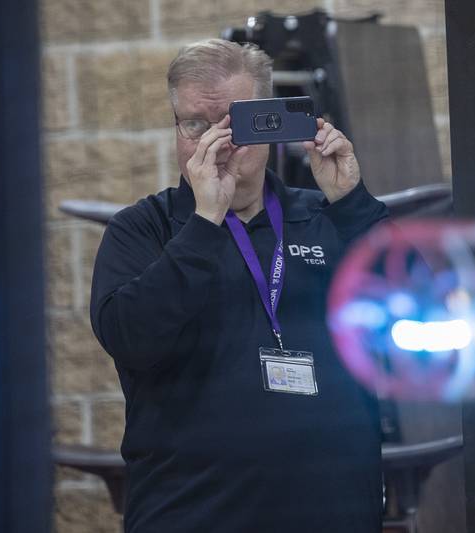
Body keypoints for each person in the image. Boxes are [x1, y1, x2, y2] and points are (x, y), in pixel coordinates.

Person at [90, 38, 388, 533]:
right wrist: (205, 221)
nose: (216, 141)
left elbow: (421, 305)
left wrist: (354, 204)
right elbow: (129, 337)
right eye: (194, 125)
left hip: (331, 510)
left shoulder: (328, 217)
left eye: (235, 122)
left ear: (270, 123)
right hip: (191, 512)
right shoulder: (144, 228)